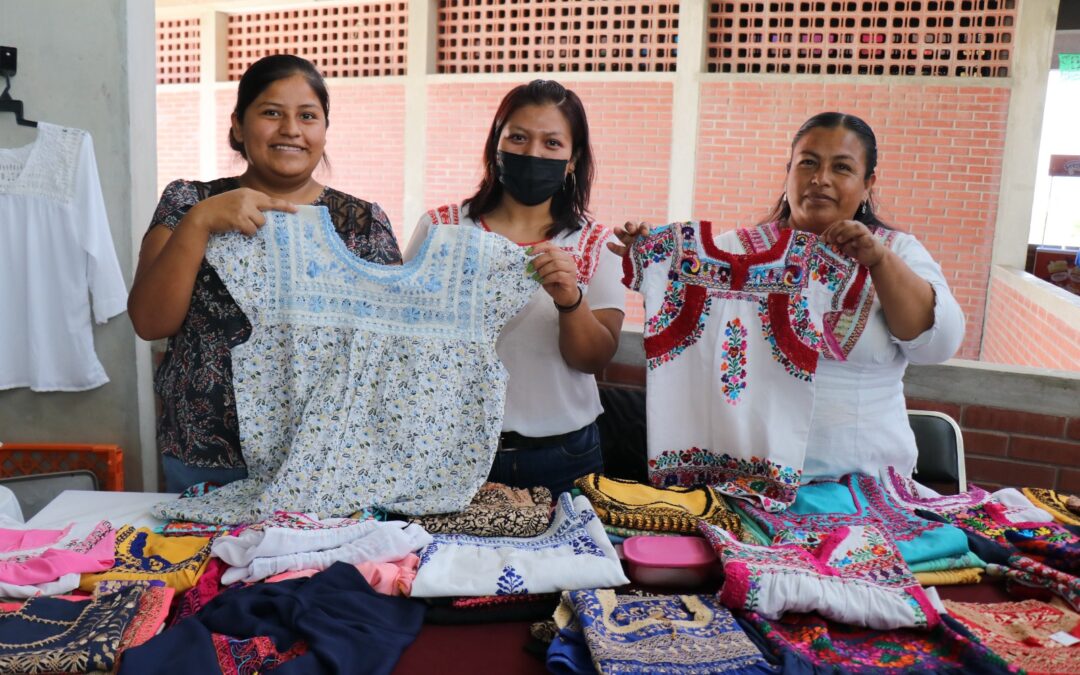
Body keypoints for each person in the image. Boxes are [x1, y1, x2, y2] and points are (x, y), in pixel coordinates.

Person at [613, 112, 964, 481]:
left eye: (841, 167)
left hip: (864, 484)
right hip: (746, 483)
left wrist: (879, 261)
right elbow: (678, 295)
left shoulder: (898, 253)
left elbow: (937, 345)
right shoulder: (739, 252)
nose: (820, 179)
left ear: (867, 183)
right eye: (808, 163)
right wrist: (653, 257)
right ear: (788, 172)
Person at [129, 55, 401, 493]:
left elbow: (392, 349)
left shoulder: (362, 223)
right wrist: (200, 223)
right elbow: (150, 321)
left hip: (323, 462)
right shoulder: (188, 201)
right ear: (238, 125)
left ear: (324, 130)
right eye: (271, 112)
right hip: (204, 460)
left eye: (308, 116)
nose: (291, 129)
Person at [403, 80, 625, 496]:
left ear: (573, 159)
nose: (533, 153)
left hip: (563, 456)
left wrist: (570, 300)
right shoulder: (442, 229)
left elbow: (595, 358)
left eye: (552, 143)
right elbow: (404, 338)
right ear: (496, 144)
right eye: (518, 137)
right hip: (448, 452)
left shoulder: (596, 243)